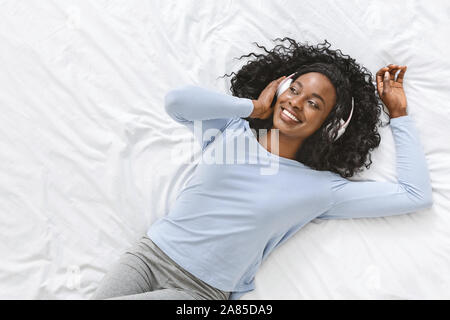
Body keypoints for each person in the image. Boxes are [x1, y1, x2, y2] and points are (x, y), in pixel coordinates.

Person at [91, 38, 432, 300]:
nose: (296, 103)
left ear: (330, 128)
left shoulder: (321, 189)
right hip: (149, 256)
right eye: (294, 90)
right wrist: (253, 108)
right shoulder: (231, 129)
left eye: (313, 103)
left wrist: (399, 114)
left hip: (199, 292)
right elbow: (177, 103)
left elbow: (414, 195)